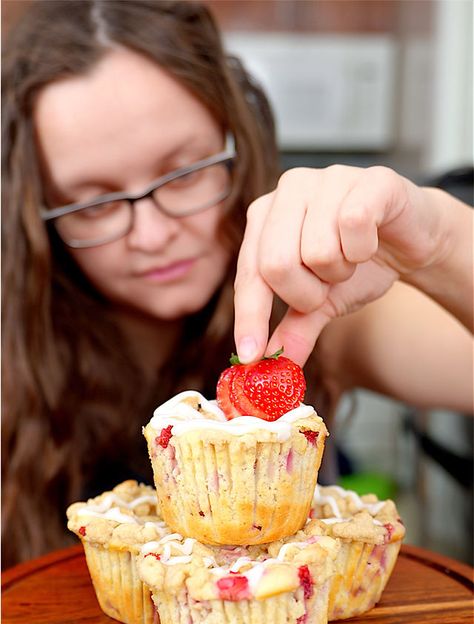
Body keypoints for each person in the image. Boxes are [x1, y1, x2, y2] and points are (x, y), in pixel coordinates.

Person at [2, 0, 472, 568]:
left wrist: (442, 242)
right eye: (93, 204)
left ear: (237, 147)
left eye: (185, 173)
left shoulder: (314, 304)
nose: (151, 235)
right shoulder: (16, 348)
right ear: (38, 217)